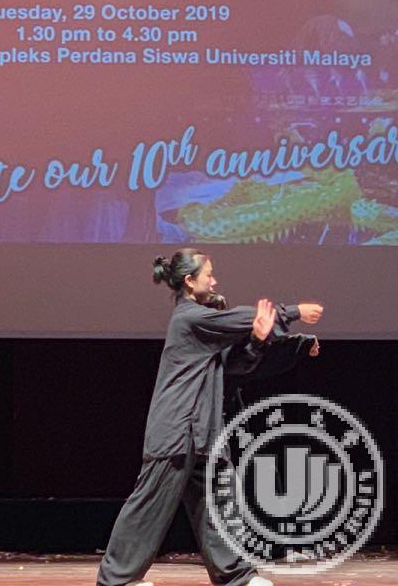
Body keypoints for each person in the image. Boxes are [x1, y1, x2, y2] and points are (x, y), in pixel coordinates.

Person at [97, 249, 324, 586]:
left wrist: (266, 342)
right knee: (148, 505)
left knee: (218, 503)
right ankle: (116, 580)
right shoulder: (190, 319)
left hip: (203, 430)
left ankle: (236, 576)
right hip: (177, 429)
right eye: (209, 274)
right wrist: (293, 312)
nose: (214, 280)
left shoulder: (203, 329)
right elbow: (239, 319)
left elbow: (237, 365)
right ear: (190, 281)